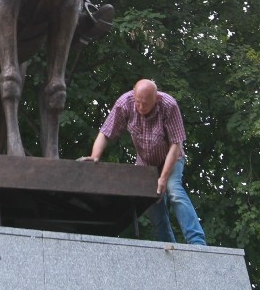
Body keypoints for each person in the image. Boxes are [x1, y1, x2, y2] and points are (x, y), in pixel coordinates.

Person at [79, 78, 206, 245]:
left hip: (172, 157)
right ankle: (167, 245)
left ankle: (197, 243)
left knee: (173, 190)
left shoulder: (169, 105)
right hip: (146, 164)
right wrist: (95, 156)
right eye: (138, 102)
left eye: (145, 103)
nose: (140, 107)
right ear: (133, 95)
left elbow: (176, 145)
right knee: (152, 205)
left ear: (156, 99)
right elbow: (105, 132)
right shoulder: (125, 103)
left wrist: (163, 178)